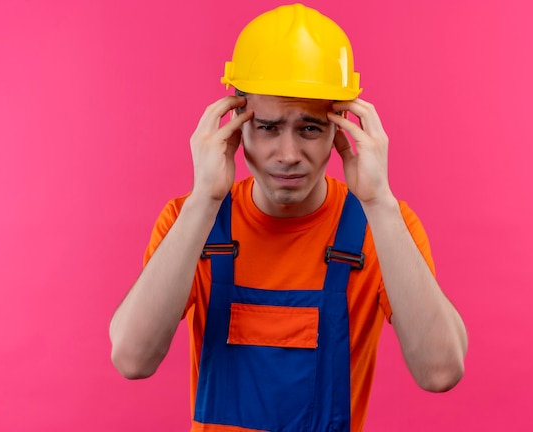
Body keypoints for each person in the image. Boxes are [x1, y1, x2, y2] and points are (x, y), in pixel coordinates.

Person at [109, 3, 468, 431]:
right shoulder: (190, 222)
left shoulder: (382, 226)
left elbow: (441, 371)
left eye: (310, 128)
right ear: (234, 123)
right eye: (267, 127)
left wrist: (378, 201)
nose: (288, 155)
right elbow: (132, 359)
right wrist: (205, 197)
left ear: (341, 127)